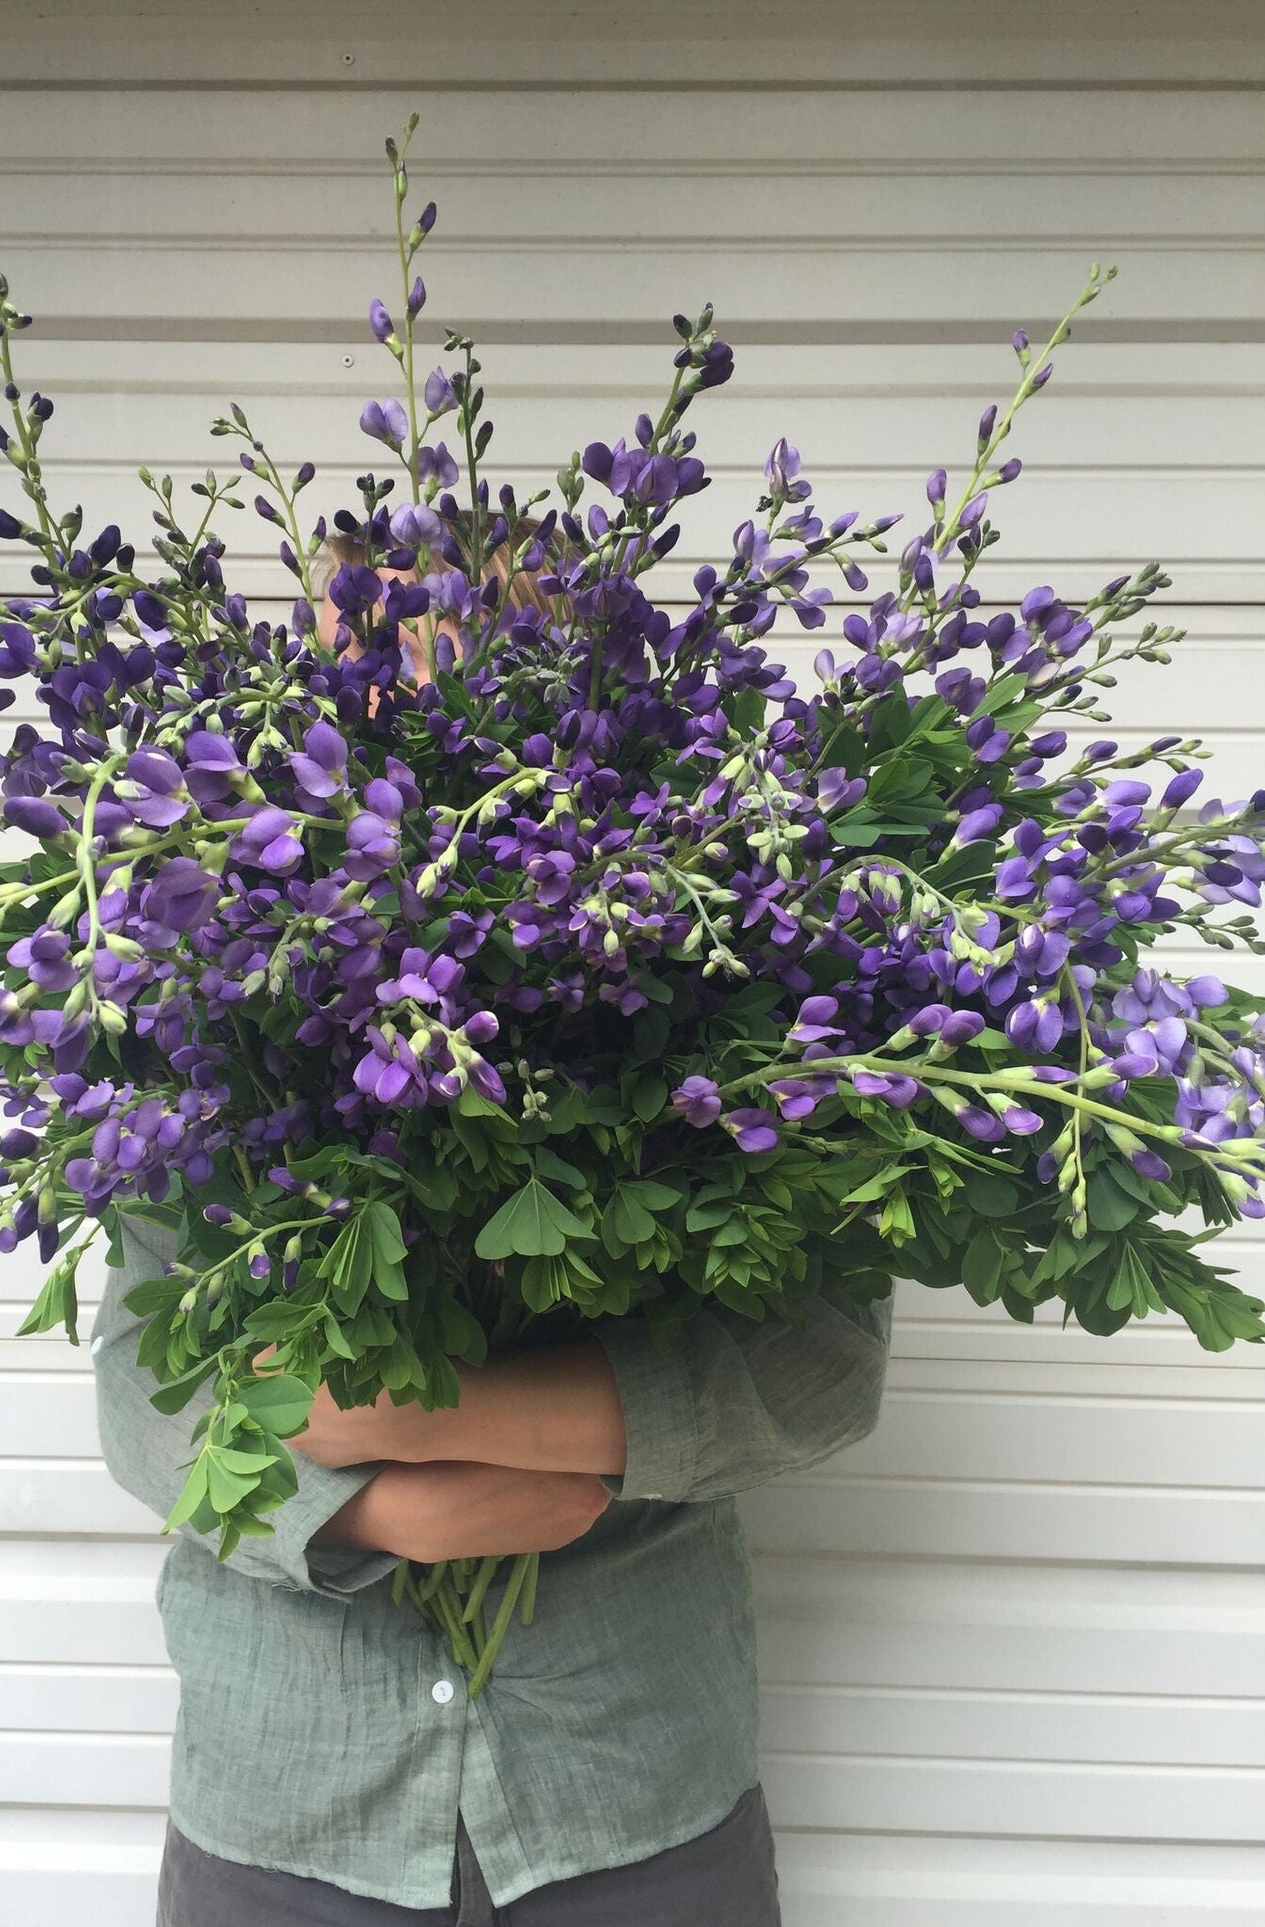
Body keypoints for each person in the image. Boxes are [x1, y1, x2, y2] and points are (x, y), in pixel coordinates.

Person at [90, 528, 895, 1925]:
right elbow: (141, 1394)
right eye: (358, 683)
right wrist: (379, 1501)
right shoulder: (197, 1009)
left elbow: (821, 1358)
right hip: (290, 1793)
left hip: (626, 1786)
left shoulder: (698, 1001)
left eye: (456, 669)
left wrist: (490, 1429)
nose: (400, 722)